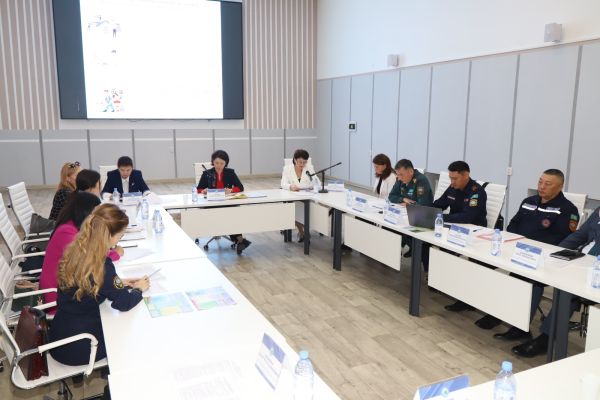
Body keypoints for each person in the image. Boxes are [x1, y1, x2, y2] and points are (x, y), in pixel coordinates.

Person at [49, 204, 148, 366]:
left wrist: (119, 283)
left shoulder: (76, 249)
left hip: (60, 336)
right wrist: (139, 289)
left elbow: (90, 282)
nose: (120, 239)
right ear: (109, 236)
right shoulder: (102, 265)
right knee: (131, 335)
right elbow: (124, 303)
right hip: (80, 345)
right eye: (120, 235)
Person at [486, 169, 579, 336]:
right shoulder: (528, 201)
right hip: (519, 251)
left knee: (528, 281)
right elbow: (513, 224)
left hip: (542, 259)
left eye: (548, 184)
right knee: (507, 275)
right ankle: (499, 314)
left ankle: (520, 328)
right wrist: (517, 243)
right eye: (540, 182)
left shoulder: (567, 209)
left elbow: (560, 240)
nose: (542, 187)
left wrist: (529, 247)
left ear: (560, 187)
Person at [512, 207, 598, 358]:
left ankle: (546, 339)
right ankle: (520, 325)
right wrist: (556, 251)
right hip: (580, 259)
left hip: (593, 269)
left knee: (568, 291)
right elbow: (580, 234)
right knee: (536, 276)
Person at [39, 192, 124, 313]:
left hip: (72, 289)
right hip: (58, 299)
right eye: (95, 213)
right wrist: (115, 254)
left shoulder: (74, 227)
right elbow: (91, 256)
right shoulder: (67, 232)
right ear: (85, 211)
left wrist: (116, 283)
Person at [429, 161, 487, 311]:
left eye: (455, 178)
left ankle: (465, 298)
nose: (452, 182)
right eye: (450, 178)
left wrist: (440, 217)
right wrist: (426, 211)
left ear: (466, 175)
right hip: (454, 230)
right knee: (428, 243)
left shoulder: (476, 192)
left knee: (456, 259)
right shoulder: (452, 187)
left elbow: (467, 217)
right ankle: (442, 282)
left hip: (473, 235)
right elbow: (439, 204)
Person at [196, 150, 251, 254]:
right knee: (229, 215)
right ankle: (240, 240)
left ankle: (239, 240)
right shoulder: (207, 173)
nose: (219, 166)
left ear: (226, 163)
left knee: (231, 213)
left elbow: (240, 187)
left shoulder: (230, 173)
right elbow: (199, 189)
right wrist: (204, 191)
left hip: (226, 202)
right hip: (211, 204)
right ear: (213, 162)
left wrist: (231, 190)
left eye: (222, 163)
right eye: (216, 163)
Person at [389, 159, 434, 258]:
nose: (399, 178)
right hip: (405, 215)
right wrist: (403, 199)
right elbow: (391, 196)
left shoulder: (421, 181)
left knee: (396, 229)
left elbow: (422, 204)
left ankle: (414, 249)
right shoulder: (400, 179)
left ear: (411, 171)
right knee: (389, 226)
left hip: (421, 218)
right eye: (398, 175)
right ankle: (393, 256)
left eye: (402, 175)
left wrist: (407, 205)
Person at [281, 149, 315, 242]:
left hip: (307, 197)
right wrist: (290, 186)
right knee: (294, 211)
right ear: (295, 160)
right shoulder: (287, 169)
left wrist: (312, 186)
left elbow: (316, 182)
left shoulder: (309, 168)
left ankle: (304, 231)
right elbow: (283, 184)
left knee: (311, 210)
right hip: (293, 197)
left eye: (305, 162)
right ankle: (302, 232)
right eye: (300, 162)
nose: (302, 164)